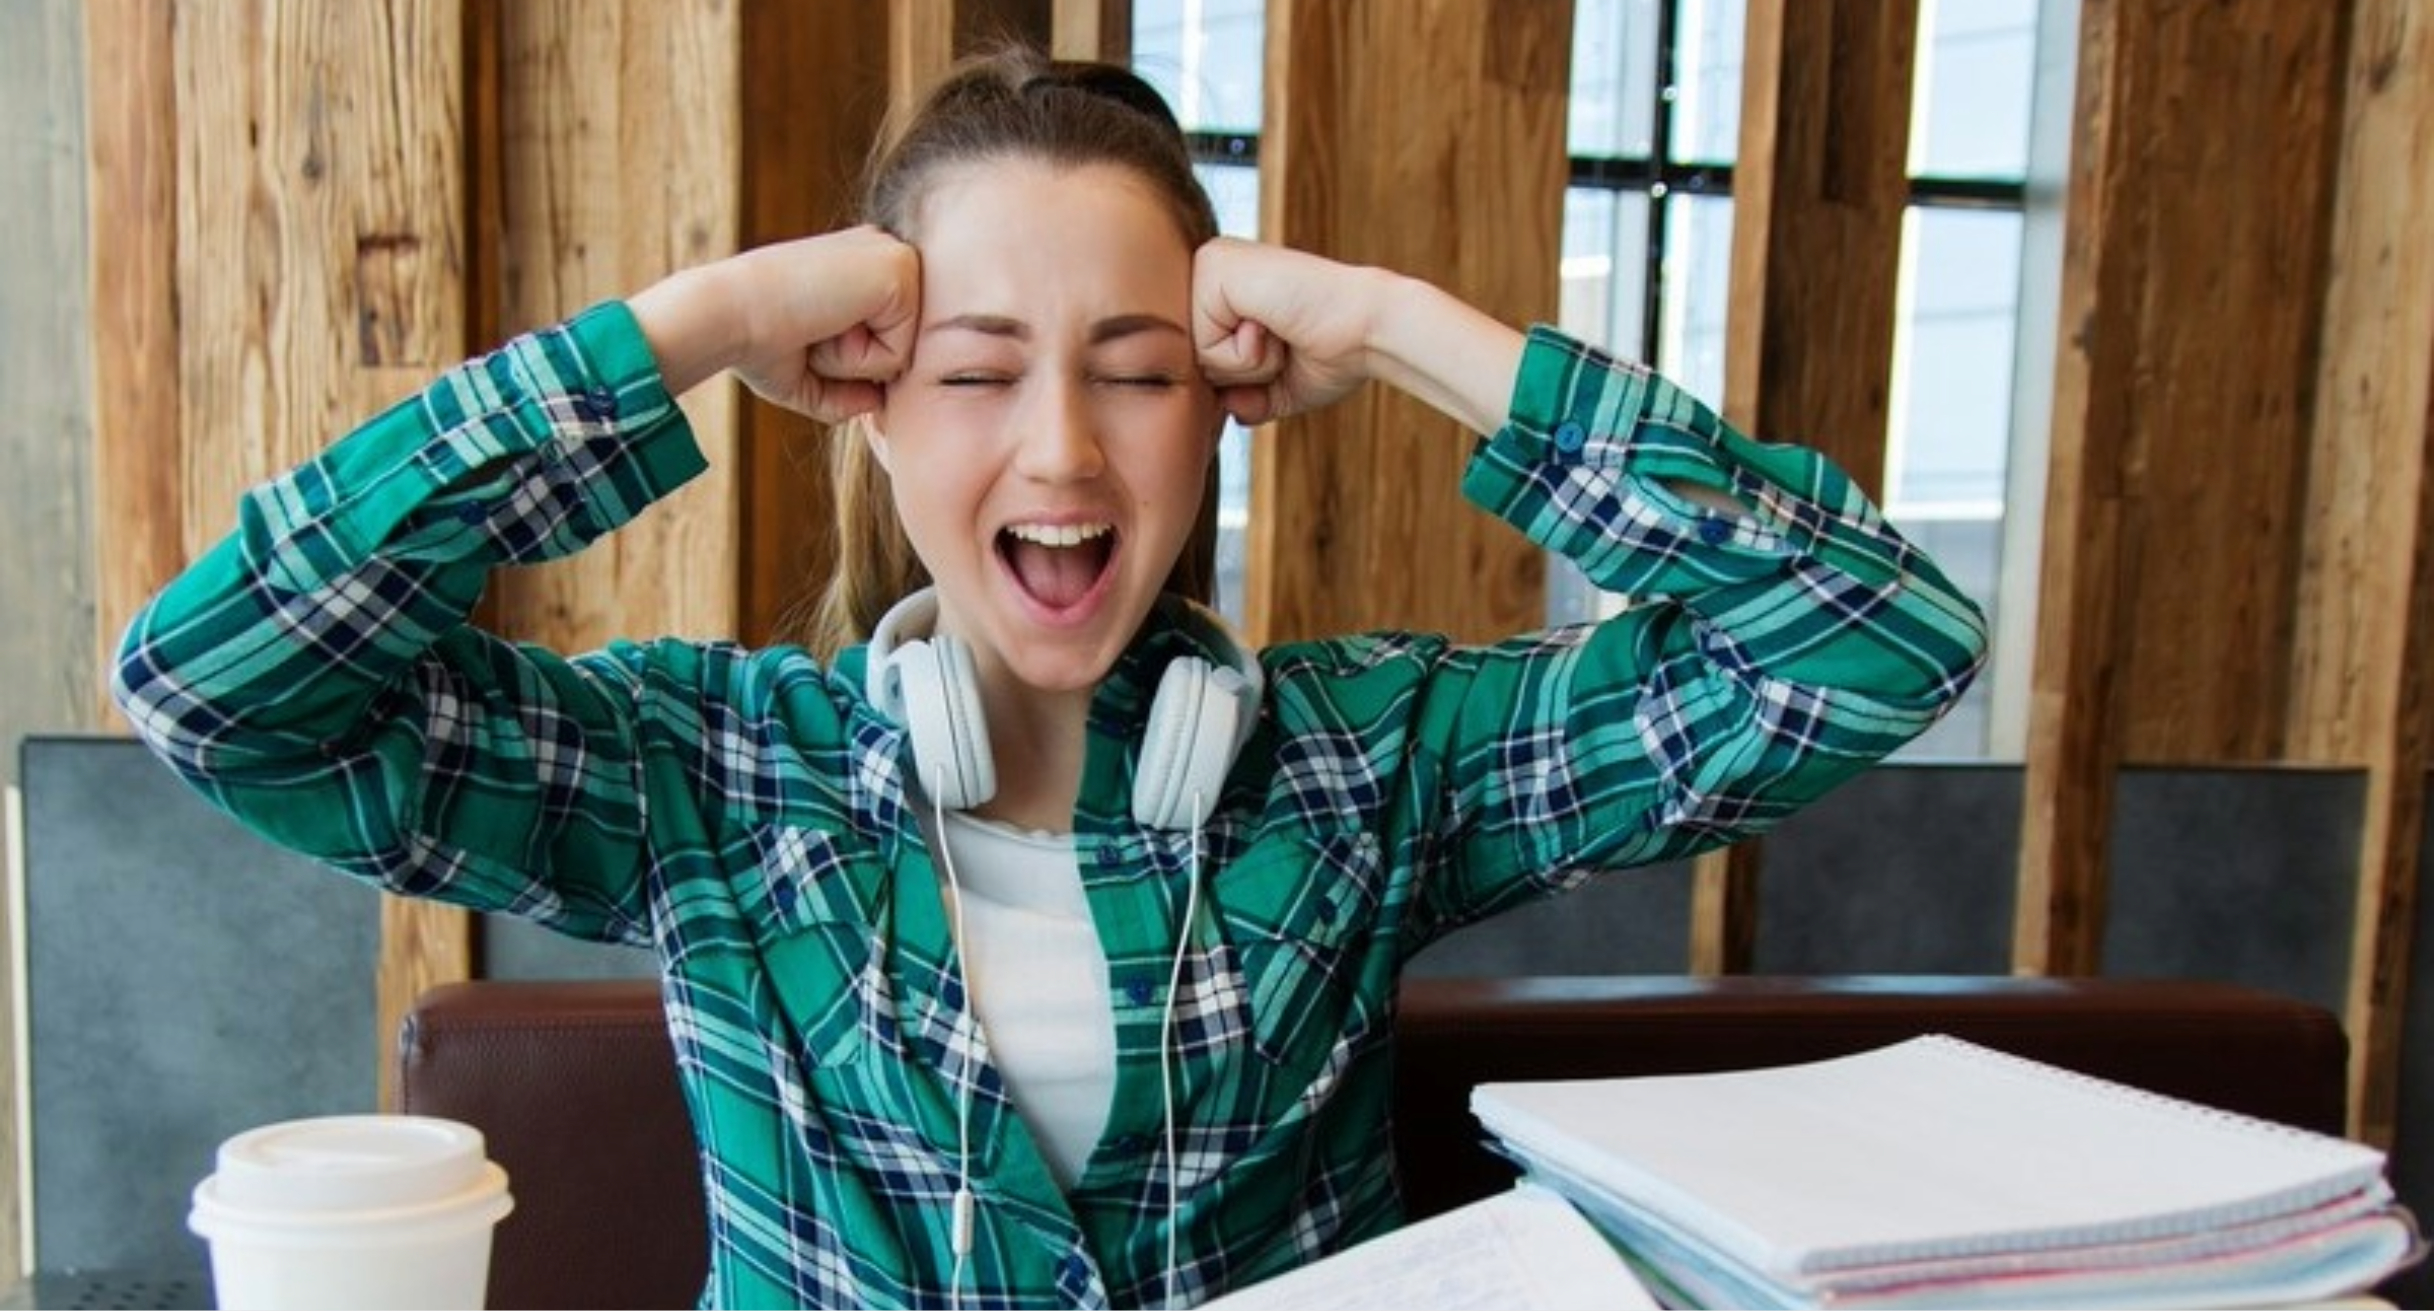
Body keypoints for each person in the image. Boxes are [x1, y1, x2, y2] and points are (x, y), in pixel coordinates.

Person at [113, 43, 1988, 1311]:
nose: (1067, 452)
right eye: (977, 367)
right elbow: (221, 686)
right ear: (862, 408)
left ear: (1229, 404)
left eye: (1140, 368)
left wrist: (1414, 332)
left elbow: (1873, 638)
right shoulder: (707, 777)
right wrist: (688, 330)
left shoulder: (1370, 765)